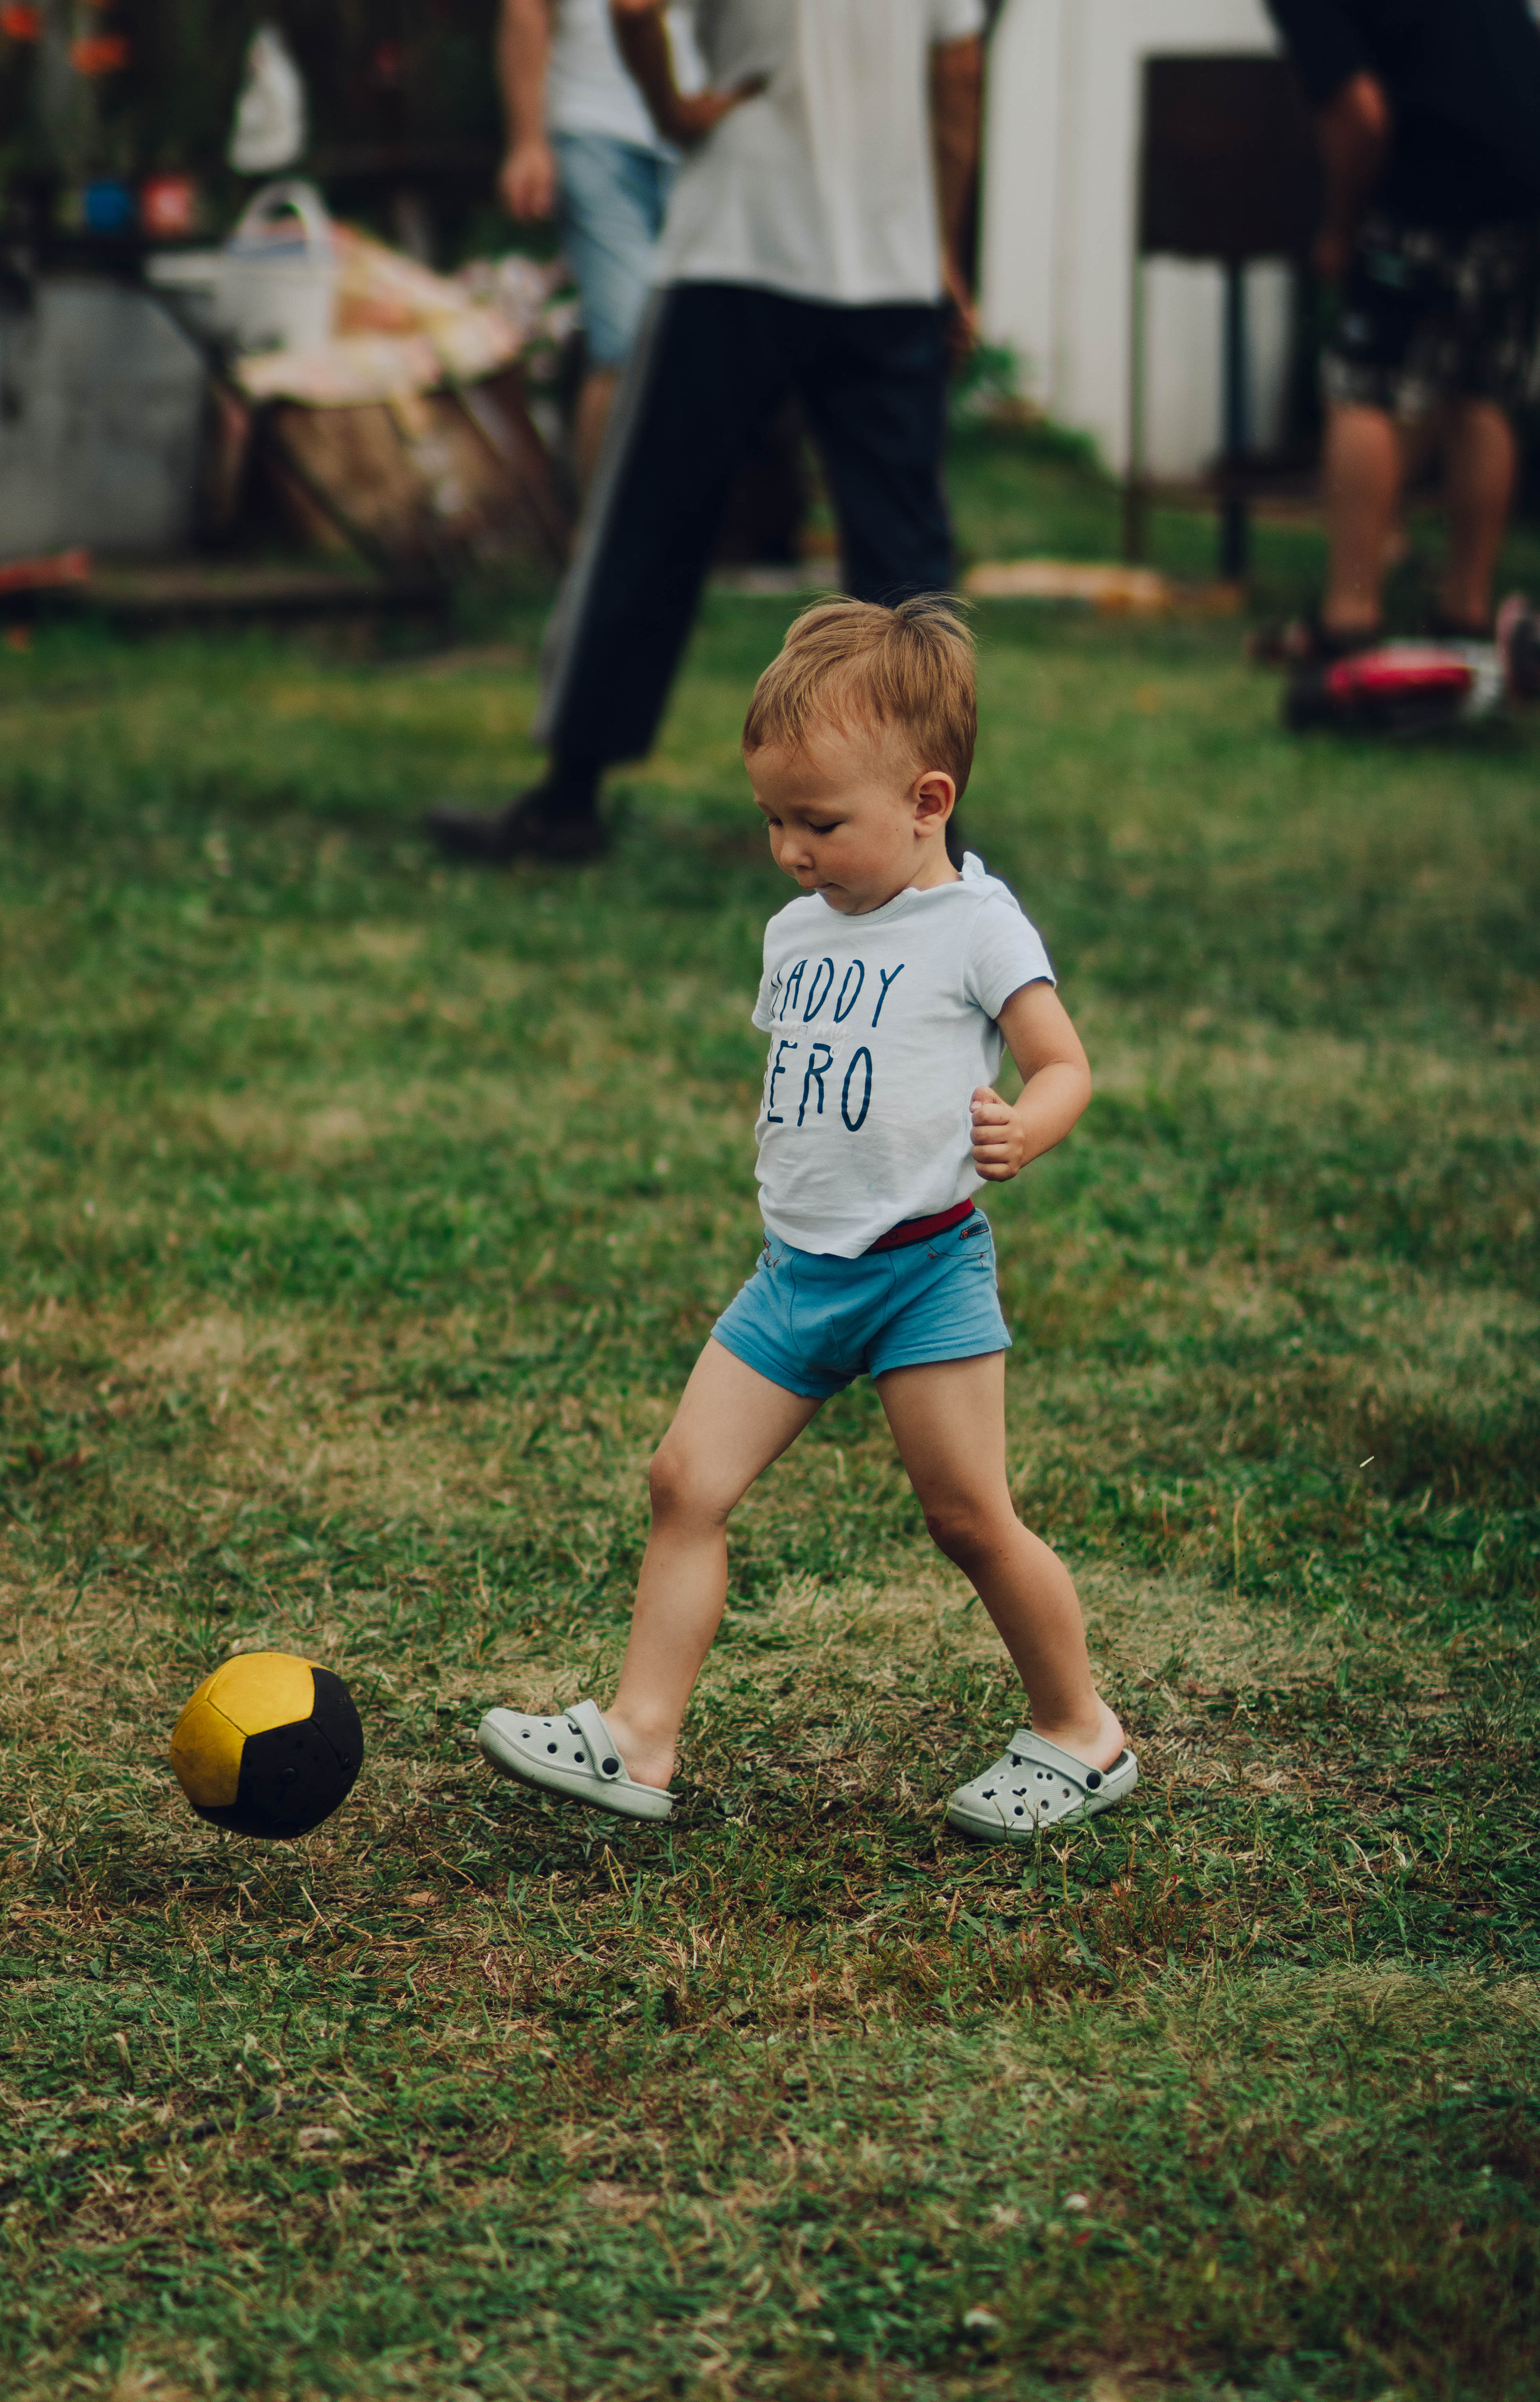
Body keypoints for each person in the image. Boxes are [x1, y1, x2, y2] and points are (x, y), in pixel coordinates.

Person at [477, 597, 1138, 1843]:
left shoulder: (975, 926)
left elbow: (1063, 1063)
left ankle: (1079, 1732)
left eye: (820, 823)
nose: (789, 849)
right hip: (793, 1277)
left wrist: (1026, 1126)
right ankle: (639, 1737)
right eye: (772, 819)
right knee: (684, 1482)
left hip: (921, 1274)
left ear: (927, 802)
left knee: (967, 1520)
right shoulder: (796, 930)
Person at [429, 0, 985, 865]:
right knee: (902, 552)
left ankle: (569, 800)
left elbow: (634, 9)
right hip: (887, 255)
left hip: (737, 238)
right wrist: (939, 241)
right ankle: (927, 827)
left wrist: (673, 110)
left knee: (649, 523)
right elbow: (958, 69)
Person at [1265, 0, 1540, 652]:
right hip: (1522, 179)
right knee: (1478, 391)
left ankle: (1349, 621)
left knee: (1362, 389)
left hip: (1426, 179)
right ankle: (1463, 615)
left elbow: (1359, 115)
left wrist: (1342, 226)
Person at [495, 0, 706, 489]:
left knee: (707, 344)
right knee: (624, 342)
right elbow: (528, 8)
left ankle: (696, 519)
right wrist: (527, 141)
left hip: (703, 127)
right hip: (594, 129)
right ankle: (600, 527)